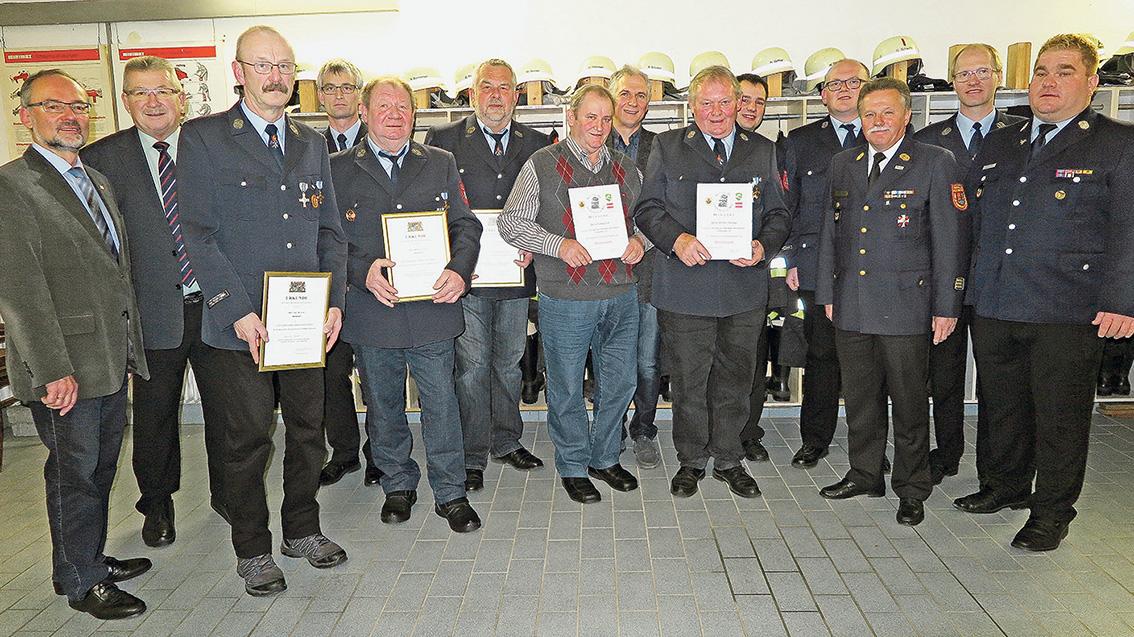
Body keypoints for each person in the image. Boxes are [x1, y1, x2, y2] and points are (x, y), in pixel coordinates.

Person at [178, 26, 348, 596]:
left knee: (307, 432)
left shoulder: (309, 142)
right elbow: (197, 236)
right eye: (263, 66)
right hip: (240, 327)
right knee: (246, 439)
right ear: (239, 72)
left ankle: (301, 529)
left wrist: (333, 304)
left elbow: (329, 233)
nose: (276, 77)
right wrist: (236, 311)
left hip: (302, 325)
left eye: (284, 66)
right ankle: (252, 548)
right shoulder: (203, 139)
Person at [956, 33, 1134, 551]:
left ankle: (1052, 510)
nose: (1048, 82)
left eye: (1064, 71)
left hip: (1068, 306)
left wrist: (1123, 300)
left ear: (1092, 82)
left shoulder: (1116, 144)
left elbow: (1129, 228)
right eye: (1041, 72)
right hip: (996, 298)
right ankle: (1004, 485)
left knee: (1060, 412)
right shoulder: (1003, 141)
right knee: (1001, 403)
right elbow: (981, 220)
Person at [0, 69, 150, 619]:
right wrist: (51, 370)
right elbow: (20, 290)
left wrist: (130, 348)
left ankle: (86, 558)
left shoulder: (97, 181)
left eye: (78, 106)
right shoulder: (12, 186)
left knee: (101, 467)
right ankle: (83, 583)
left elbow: (112, 271)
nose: (69, 115)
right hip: (64, 367)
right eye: (53, 105)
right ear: (27, 116)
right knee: (74, 473)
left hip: (108, 359)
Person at [82, 55, 228, 550]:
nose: (152, 102)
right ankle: (158, 504)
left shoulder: (214, 147)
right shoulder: (101, 159)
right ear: (124, 102)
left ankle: (230, 496)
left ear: (181, 97)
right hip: (151, 315)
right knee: (154, 419)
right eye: (140, 93)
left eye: (162, 90)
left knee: (229, 412)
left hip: (216, 308)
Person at [334, 76, 484, 532]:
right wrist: (361, 271)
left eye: (403, 107)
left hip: (431, 309)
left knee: (442, 402)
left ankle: (450, 493)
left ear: (414, 115)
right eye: (384, 106)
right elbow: (327, 238)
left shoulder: (440, 162)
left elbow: (467, 225)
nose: (395, 115)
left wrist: (459, 268)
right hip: (372, 309)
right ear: (364, 112)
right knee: (383, 404)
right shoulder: (336, 168)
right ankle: (397, 484)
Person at [635, 66, 791, 499]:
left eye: (726, 102)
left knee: (737, 379)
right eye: (708, 103)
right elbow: (646, 209)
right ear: (692, 106)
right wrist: (677, 239)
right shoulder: (667, 147)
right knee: (688, 380)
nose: (717, 112)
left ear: (738, 104)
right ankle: (691, 459)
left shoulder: (761, 150)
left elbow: (779, 213)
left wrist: (763, 245)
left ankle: (728, 457)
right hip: (685, 287)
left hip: (743, 289)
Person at [816, 77, 965, 527]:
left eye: (886, 113)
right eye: (869, 114)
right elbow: (830, 232)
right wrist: (827, 292)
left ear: (906, 117)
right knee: (860, 398)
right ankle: (865, 473)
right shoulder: (844, 163)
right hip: (853, 304)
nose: (877, 122)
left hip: (907, 307)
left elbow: (950, 241)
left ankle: (912, 486)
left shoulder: (935, 163)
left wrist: (947, 306)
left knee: (909, 401)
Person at [499, 84, 645, 504]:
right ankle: (574, 464)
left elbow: (650, 219)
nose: (598, 126)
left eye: (605, 118)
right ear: (571, 119)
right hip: (565, 296)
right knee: (565, 385)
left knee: (620, 381)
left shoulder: (626, 168)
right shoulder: (541, 164)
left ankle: (604, 457)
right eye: (590, 117)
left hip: (621, 293)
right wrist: (558, 245)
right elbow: (511, 223)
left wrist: (641, 241)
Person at [424, 59, 550, 491]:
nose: (496, 95)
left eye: (504, 88)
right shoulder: (443, 141)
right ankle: (473, 452)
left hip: (516, 273)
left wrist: (535, 243)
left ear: (516, 95)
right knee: (473, 366)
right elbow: (432, 206)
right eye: (487, 87)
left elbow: (549, 207)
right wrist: (453, 259)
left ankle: (507, 440)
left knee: (509, 363)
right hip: (469, 274)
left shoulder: (537, 142)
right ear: (472, 93)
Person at [912, 44, 1024, 485]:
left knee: (1002, 383)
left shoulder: (1022, 136)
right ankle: (946, 452)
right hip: (942, 279)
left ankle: (999, 472)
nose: (973, 81)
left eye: (982, 71)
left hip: (1002, 278)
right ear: (951, 80)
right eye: (963, 73)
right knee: (943, 374)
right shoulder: (926, 141)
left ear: (998, 76)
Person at [779, 59, 869, 470]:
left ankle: (867, 447)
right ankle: (814, 440)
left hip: (876, 267)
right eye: (836, 84)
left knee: (869, 361)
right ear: (822, 94)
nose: (845, 89)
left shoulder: (885, 133)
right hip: (817, 264)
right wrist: (794, 259)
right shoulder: (799, 142)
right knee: (820, 356)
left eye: (855, 82)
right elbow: (790, 205)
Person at [313, 57, 379, 487]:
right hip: (329, 282)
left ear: (360, 95)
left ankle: (380, 449)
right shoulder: (306, 146)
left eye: (346, 87)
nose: (339, 94)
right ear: (320, 96)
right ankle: (344, 450)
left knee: (376, 373)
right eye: (330, 88)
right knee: (331, 373)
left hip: (375, 279)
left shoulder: (383, 140)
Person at [606, 65, 662, 469]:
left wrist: (642, 241)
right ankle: (609, 430)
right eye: (625, 94)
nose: (633, 102)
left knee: (646, 358)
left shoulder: (663, 147)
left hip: (648, 268)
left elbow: (670, 208)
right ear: (611, 97)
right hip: (597, 272)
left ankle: (643, 428)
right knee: (608, 358)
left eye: (641, 95)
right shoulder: (587, 141)